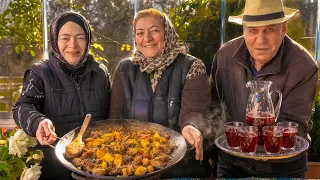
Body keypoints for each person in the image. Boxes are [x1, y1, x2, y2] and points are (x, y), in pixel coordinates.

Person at [210, 0, 318, 178]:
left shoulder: (303, 66)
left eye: (269, 29)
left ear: (283, 29)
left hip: (283, 168)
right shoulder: (224, 56)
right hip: (231, 164)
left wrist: (252, 141)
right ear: (243, 30)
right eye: (253, 30)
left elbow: (294, 127)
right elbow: (213, 112)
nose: (261, 40)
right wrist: (211, 157)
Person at [108, 8, 211, 178]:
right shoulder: (125, 69)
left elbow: (194, 111)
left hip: (181, 168)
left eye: (154, 31)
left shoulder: (191, 66)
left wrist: (190, 126)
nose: (147, 38)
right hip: (135, 169)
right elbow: (114, 119)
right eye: (140, 33)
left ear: (167, 32)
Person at [12, 11, 110, 179]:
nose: (73, 45)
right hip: (55, 167)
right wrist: (38, 122)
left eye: (80, 37)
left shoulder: (100, 72)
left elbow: (112, 113)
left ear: (88, 40)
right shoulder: (40, 73)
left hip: (98, 167)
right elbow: (21, 107)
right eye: (65, 38)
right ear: (55, 41)